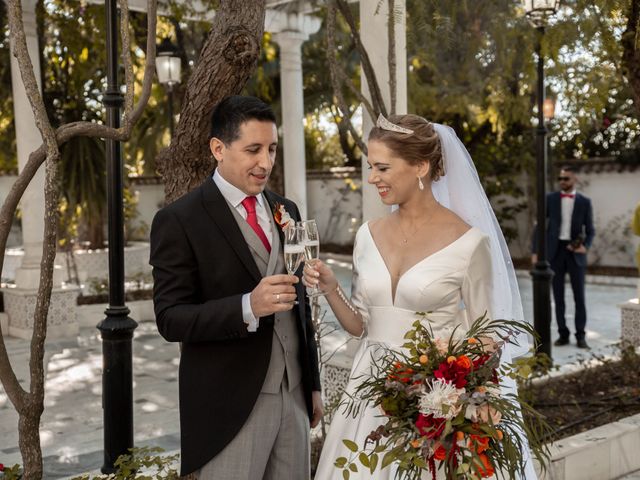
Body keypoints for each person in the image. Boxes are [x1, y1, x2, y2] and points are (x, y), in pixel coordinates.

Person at [307, 114, 536, 479]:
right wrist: (331, 288)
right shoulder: (367, 235)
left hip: (434, 405)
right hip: (366, 400)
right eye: (370, 166)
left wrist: (449, 400)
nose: (372, 178)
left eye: (382, 167)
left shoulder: (469, 243)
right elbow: (360, 326)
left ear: (420, 166)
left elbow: (489, 340)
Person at [150, 95, 322, 479]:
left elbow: (301, 306)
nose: (266, 162)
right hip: (229, 405)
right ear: (218, 149)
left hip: (293, 394)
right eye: (253, 150)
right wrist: (248, 306)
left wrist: (312, 384)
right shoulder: (179, 221)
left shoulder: (286, 210)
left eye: (272, 149)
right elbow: (170, 318)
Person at [531, 166, 595, 349]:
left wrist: (586, 246)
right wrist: (535, 252)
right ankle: (563, 334)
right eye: (560, 178)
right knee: (558, 297)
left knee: (579, 297)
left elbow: (590, 230)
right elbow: (539, 226)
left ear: (574, 179)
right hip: (555, 252)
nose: (562, 182)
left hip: (575, 254)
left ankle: (581, 336)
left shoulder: (584, 202)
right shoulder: (550, 199)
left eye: (566, 178)